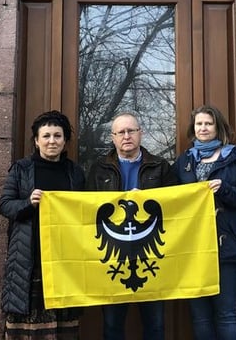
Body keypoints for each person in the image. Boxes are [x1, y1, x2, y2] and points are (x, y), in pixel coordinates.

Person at [172, 105, 236, 340]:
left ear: (218, 127)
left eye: (208, 123)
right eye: (199, 124)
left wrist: (226, 189)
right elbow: (170, 197)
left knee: (227, 314)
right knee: (200, 317)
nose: (203, 128)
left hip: (227, 245)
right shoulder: (184, 161)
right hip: (192, 248)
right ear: (193, 128)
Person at [86, 112, 178, 340]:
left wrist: (147, 199)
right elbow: (87, 211)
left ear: (140, 134)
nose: (126, 136)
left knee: (155, 326)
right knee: (112, 327)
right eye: (121, 132)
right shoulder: (98, 169)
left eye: (131, 131)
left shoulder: (161, 166)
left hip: (151, 260)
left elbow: (176, 206)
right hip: (113, 261)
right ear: (113, 137)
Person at [0, 110, 86, 340]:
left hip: (64, 259)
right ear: (36, 140)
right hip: (29, 259)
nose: (52, 141)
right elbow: (5, 206)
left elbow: (85, 211)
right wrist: (28, 203)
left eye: (57, 136)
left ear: (65, 140)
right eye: (46, 136)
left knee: (64, 326)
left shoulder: (75, 172)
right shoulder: (21, 169)